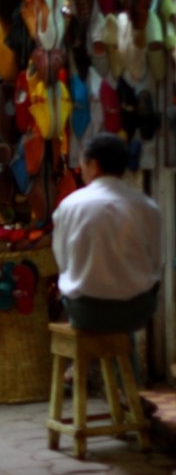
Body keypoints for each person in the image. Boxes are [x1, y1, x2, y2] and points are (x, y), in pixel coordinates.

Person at [52, 132, 163, 334]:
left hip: (86, 312)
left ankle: (99, 363)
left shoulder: (69, 206)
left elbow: (63, 262)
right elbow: (155, 263)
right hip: (136, 310)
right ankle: (122, 361)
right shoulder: (148, 207)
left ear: (93, 165)